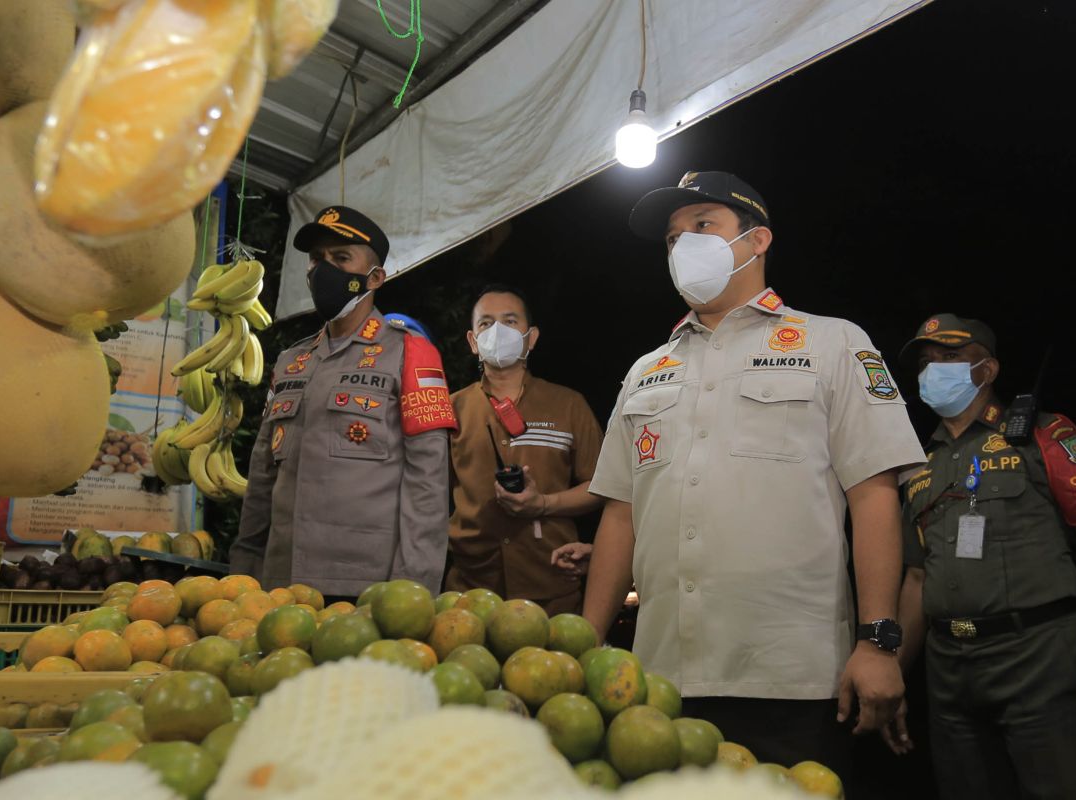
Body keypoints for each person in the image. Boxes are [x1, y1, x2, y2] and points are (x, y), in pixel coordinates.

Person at [581, 171, 927, 778]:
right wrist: (584, 642)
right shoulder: (645, 371)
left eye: (703, 225)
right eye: (671, 238)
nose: (683, 245)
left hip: (791, 674)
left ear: (757, 240)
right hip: (661, 678)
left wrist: (877, 641)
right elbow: (620, 512)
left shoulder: (832, 343)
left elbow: (874, 494)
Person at [883, 313, 1076, 800]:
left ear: (988, 369)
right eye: (927, 361)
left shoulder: (1044, 434)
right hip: (950, 671)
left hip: (1040, 658)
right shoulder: (916, 465)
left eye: (951, 357)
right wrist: (891, 673)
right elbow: (915, 579)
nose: (936, 369)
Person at [230, 205, 458, 597]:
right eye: (317, 259)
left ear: (375, 277)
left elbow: (428, 484)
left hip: (364, 588)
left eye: (341, 258)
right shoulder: (291, 361)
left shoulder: (409, 353)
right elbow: (263, 474)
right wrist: (245, 573)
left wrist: (412, 591)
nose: (324, 269)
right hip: (280, 585)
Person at [446, 284, 604, 614]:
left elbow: (601, 487)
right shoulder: (451, 409)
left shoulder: (568, 405)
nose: (498, 331)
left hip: (550, 585)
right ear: (473, 342)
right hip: (469, 591)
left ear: (531, 338)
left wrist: (544, 504)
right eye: (486, 324)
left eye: (510, 321)